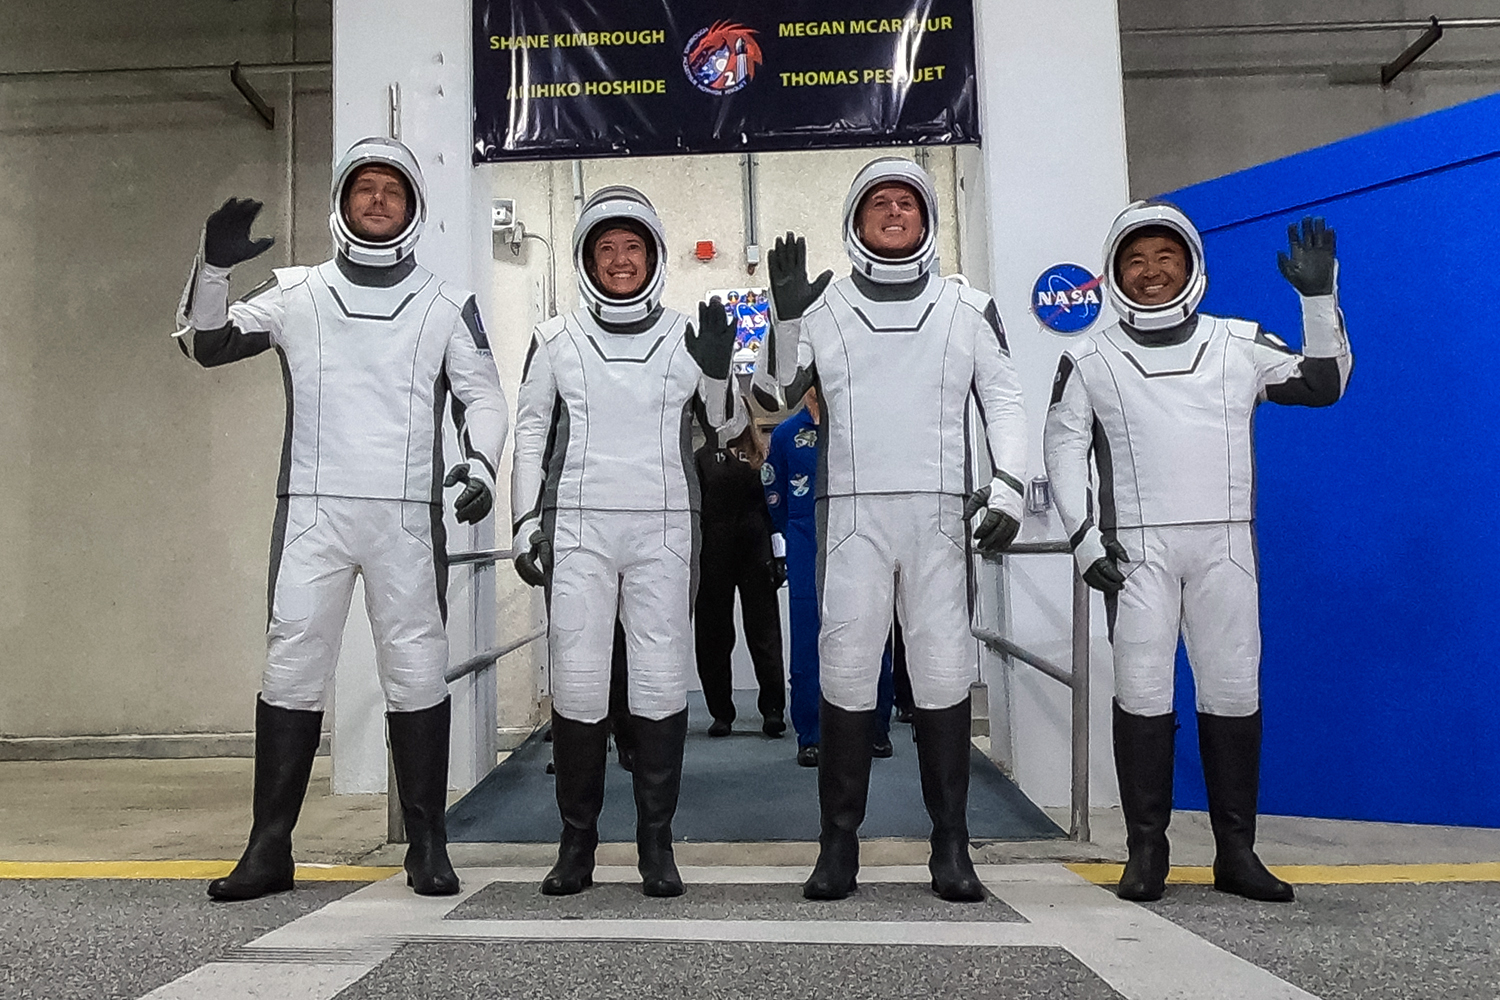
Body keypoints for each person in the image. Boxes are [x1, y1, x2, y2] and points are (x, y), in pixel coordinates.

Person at [173, 137, 508, 901]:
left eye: (393, 188)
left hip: (406, 519)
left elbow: (483, 398)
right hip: (313, 514)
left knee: (417, 669)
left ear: (413, 205)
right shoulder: (299, 291)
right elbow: (208, 342)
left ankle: (427, 842)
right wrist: (215, 268)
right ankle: (269, 848)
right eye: (366, 188)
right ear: (343, 202)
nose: (379, 199)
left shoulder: (445, 303)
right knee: (290, 666)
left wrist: (481, 464)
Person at [1043, 204, 1352, 904]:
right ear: (1116, 273)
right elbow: (1062, 450)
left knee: (1234, 693)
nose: (1151, 273)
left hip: (1226, 549)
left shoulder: (1236, 342)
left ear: (1190, 265)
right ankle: (1146, 852)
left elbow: (1325, 385)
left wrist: (1318, 299)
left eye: (1165, 258)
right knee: (1143, 695)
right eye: (1135, 261)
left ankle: (1235, 853)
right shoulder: (1090, 357)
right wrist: (1084, 537)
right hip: (1138, 555)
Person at [754, 158, 1027, 902]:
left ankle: (951, 848)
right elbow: (773, 393)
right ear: (857, 218)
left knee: (941, 678)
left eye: (907, 201)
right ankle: (838, 847)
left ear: (927, 215)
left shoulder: (969, 306)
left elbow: (1004, 397)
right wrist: (782, 320)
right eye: (881, 203)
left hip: (940, 516)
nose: (895, 212)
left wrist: (1007, 484)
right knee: (845, 674)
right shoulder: (825, 306)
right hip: (853, 516)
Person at [511, 185, 742, 898]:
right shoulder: (554, 339)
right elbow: (526, 436)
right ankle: (575, 845)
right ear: (586, 257)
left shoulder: (685, 336)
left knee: (658, 682)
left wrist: (719, 368)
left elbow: (732, 432)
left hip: (666, 529)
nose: (619, 260)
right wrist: (525, 522)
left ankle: (655, 847)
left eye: (632, 248)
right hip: (578, 526)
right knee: (578, 687)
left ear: (653, 257)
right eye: (606, 248)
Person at [763, 386, 897, 767]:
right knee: (807, 635)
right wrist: (787, 541)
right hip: (806, 537)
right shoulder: (787, 433)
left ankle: (876, 727)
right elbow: (774, 490)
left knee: (869, 627)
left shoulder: (858, 425)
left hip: (857, 530)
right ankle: (812, 734)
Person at [693, 423, 787, 739]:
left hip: (755, 550)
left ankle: (773, 709)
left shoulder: (762, 454)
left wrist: (779, 554)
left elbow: (773, 509)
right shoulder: (701, 458)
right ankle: (721, 712)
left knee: (764, 632)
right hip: (714, 552)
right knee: (714, 635)